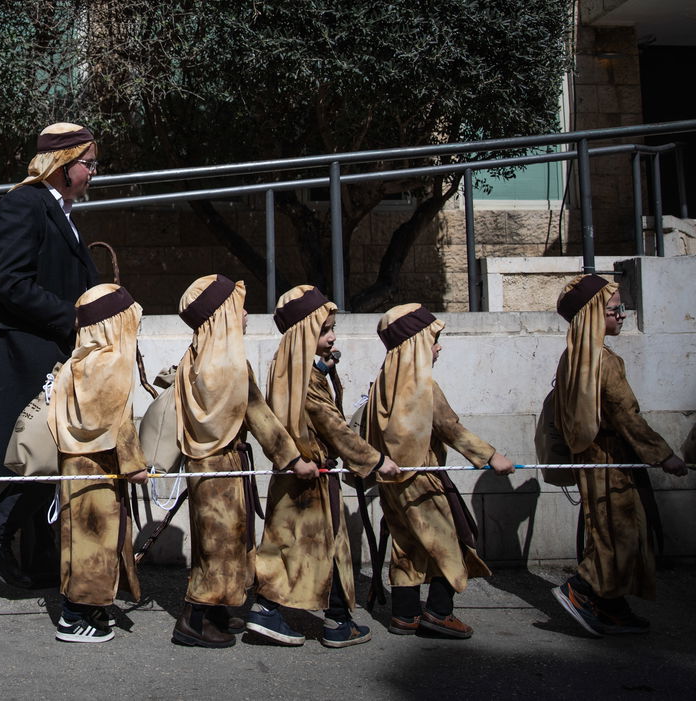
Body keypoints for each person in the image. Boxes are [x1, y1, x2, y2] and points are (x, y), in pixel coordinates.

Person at [0, 122, 101, 587]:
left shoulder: (59, 211)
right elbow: (11, 282)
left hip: (53, 353)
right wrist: (73, 316)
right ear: (63, 166)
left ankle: (42, 562)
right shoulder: (23, 203)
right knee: (42, 452)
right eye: (89, 164)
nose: (93, 173)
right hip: (29, 354)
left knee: (55, 454)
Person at [165, 276, 313, 649]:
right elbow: (260, 416)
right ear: (222, 314)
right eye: (239, 307)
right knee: (222, 546)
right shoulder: (231, 364)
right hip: (225, 468)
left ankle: (216, 613)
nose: (245, 314)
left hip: (201, 467)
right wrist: (292, 459)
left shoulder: (191, 358)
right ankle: (192, 621)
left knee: (213, 544)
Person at [254, 286, 400, 649]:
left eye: (332, 328)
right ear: (306, 333)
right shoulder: (305, 377)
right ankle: (290, 614)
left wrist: (322, 370)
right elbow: (333, 427)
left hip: (300, 476)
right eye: (324, 330)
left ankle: (328, 617)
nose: (332, 337)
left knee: (298, 547)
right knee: (312, 548)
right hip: (311, 478)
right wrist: (375, 460)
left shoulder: (291, 367)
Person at [364, 303, 515, 639]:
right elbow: (450, 428)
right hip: (423, 478)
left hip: (392, 481)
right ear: (416, 344)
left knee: (407, 546)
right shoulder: (423, 385)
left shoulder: (380, 385)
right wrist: (491, 456)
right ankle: (438, 612)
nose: (439, 347)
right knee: (452, 542)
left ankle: (405, 614)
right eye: (433, 340)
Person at [549, 274, 687, 636]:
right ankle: (581, 588)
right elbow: (627, 415)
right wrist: (664, 455)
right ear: (594, 314)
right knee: (621, 534)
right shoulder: (603, 361)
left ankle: (611, 607)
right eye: (615, 308)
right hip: (610, 460)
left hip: (591, 459)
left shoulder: (573, 357)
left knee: (606, 530)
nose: (622, 314)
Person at [48, 284, 148, 642]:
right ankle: (75, 618)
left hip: (74, 467)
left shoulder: (78, 361)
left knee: (78, 541)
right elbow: (119, 421)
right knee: (97, 544)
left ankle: (87, 610)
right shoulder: (111, 361)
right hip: (100, 469)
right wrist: (134, 464)